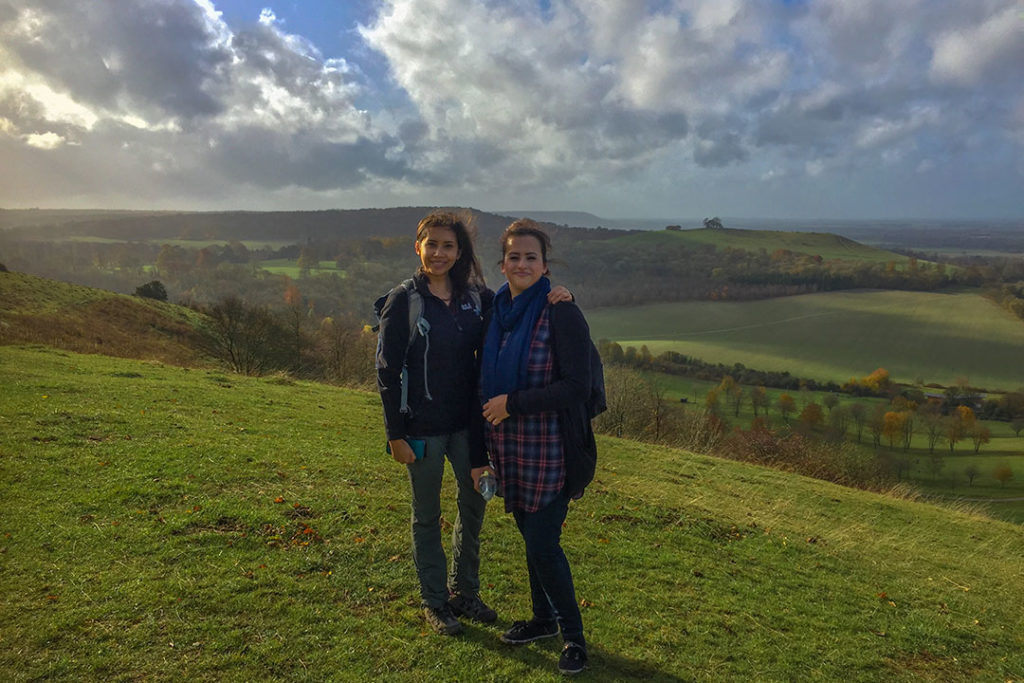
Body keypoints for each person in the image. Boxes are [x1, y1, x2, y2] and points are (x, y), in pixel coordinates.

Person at [376, 211, 570, 636]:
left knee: (474, 508)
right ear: (418, 247)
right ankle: (435, 601)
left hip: (468, 428)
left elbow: (517, 299)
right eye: (433, 245)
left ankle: (465, 592)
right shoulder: (404, 300)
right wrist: (395, 435)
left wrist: (556, 292)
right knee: (426, 516)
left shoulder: (476, 298)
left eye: (449, 246)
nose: (440, 253)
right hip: (421, 430)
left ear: (459, 251)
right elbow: (387, 375)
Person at [475, 219, 594, 676]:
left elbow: (577, 387)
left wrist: (514, 404)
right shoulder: (495, 310)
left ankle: (574, 638)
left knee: (544, 544)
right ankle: (543, 619)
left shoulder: (561, 311)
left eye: (531, 257)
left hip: (550, 451)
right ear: (502, 263)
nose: (521, 264)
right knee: (531, 539)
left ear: (545, 265)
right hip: (507, 447)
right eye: (513, 256)